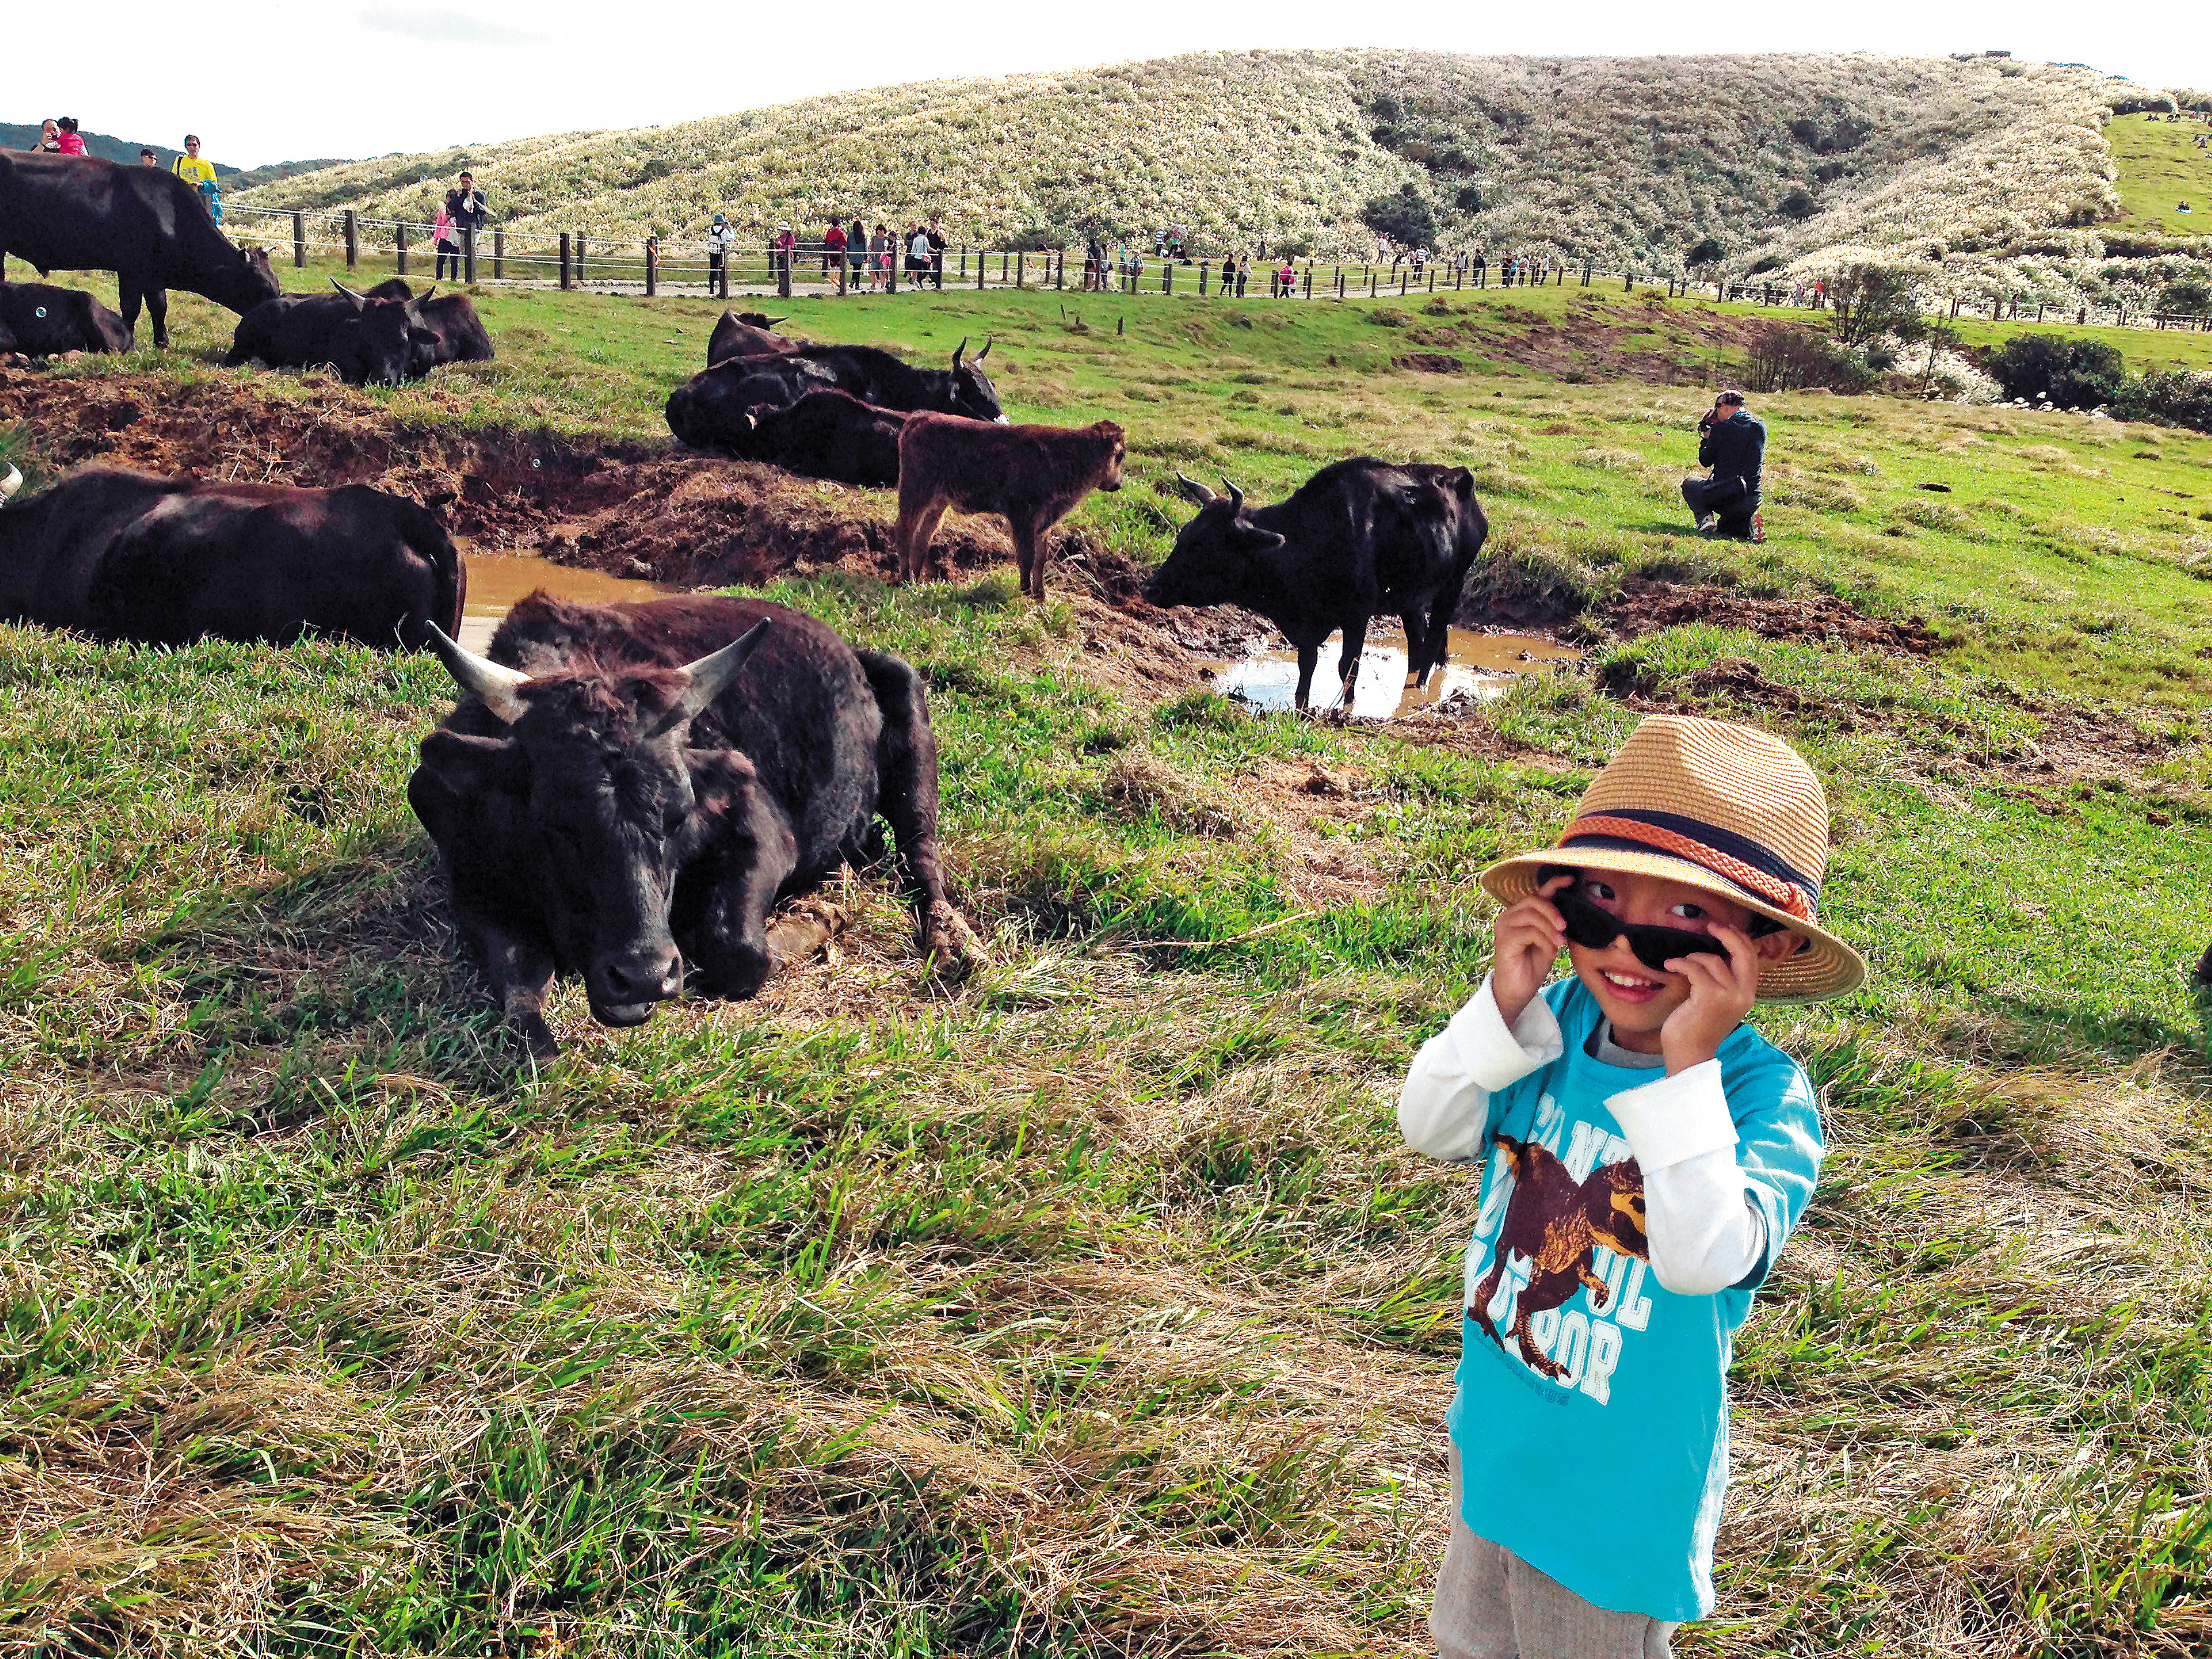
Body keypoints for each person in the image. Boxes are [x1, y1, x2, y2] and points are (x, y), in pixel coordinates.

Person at [1399, 712, 1860, 1659]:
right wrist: (1502, 1004)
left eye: (1683, 918)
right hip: (1499, 1435)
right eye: (1602, 901)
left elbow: (1700, 1261)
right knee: (1469, 1640)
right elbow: (1430, 1126)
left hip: (1617, 1497)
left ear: (1767, 945)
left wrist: (1688, 1067)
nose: (1624, 949)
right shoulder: (1551, 1023)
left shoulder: (1762, 1101)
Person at [1682, 390, 1765, 541]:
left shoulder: (1721, 429)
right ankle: (1752, 524)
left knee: (1689, 485)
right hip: (1753, 496)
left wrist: (1707, 438)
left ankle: (1705, 519)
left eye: (1718, 409)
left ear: (1725, 407)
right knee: (1728, 530)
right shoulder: (1759, 427)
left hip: (1728, 493)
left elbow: (1705, 461)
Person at [171, 135, 220, 220]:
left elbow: (214, 186)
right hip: (184, 200)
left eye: (194, 145)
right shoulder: (179, 161)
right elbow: (173, 179)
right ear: (186, 147)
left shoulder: (207, 165)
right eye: (189, 145)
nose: (192, 148)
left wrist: (201, 185)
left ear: (199, 146)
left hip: (201, 203)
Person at [705, 212, 735, 291]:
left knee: (712, 269)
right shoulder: (724, 231)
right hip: (721, 252)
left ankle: (711, 289)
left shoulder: (710, 230)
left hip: (712, 252)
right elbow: (732, 238)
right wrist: (730, 229)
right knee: (722, 270)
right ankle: (722, 289)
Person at [433, 194, 459, 281]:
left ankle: (454, 279)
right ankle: (439, 278)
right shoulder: (442, 210)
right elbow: (439, 224)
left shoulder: (459, 209)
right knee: (441, 259)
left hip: (455, 237)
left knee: (454, 260)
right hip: (444, 237)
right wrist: (436, 238)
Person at [823, 216, 846, 281]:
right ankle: (837, 280)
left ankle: (832, 280)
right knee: (839, 267)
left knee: (832, 266)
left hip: (831, 251)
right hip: (839, 251)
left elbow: (827, 241)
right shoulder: (840, 232)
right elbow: (845, 241)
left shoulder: (829, 232)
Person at [848, 216, 867, 288]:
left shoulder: (850, 235)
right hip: (860, 255)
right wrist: (866, 256)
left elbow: (848, 244)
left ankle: (853, 280)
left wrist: (848, 253)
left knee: (855, 268)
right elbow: (865, 246)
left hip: (852, 254)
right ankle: (857, 285)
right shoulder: (862, 236)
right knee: (858, 269)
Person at [927, 217, 947, 289]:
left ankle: (937, 283)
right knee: (927, 266)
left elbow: (944, 240)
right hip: (930, 251)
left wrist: (941, 248)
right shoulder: (928, 232)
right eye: (931, 223)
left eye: (934, 224)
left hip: (936, 252)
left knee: (936, 267)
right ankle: (932, 278)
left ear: (937, 224)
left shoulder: (939, 232)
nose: (932, 225)